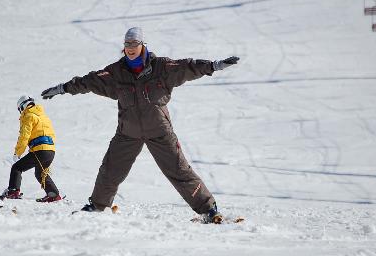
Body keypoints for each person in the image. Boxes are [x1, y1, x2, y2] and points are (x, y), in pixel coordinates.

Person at [41, 27, 239, 223]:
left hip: (159, 131)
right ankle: (98, 206)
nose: (130, 48)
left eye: (134, 43)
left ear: (142, 44)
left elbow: (187, 67)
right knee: (110, 169)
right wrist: (63, 88)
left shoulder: (161, 67)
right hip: (128, 133)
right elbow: (89, 81)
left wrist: (213, 66)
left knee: (179, 171)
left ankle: (208, 210)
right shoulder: (116, 72)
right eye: (127, 44)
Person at [1, 95, 62, 202]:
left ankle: (13, 191)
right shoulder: (44, 117)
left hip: (40, 150)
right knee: (40, 173)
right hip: (50, 151)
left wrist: (18, 153)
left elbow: (24, 136)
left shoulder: (28, 116)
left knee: (17, 167)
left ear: (22, 106)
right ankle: (53, 195)